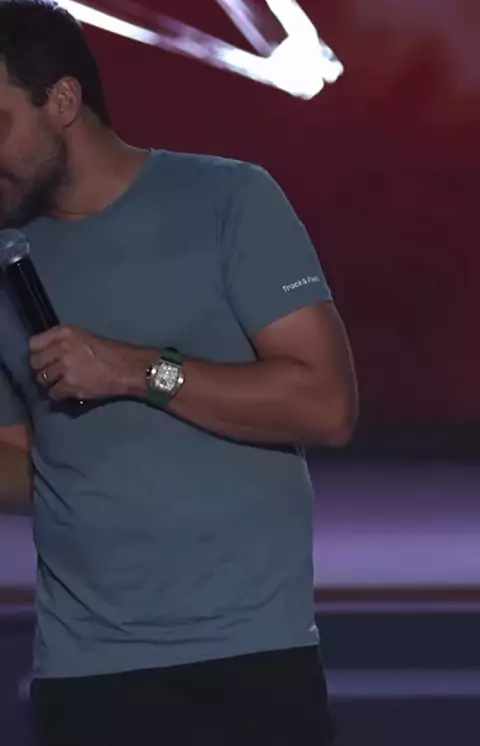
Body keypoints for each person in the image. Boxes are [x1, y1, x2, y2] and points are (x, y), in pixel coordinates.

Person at [0, 2, 358, 744]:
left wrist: (137, 371)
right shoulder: (5, 257)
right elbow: (21, 462)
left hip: (251, 658)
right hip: (84, 674)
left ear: (61, 101)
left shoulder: (229, 200)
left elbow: (326, 404)